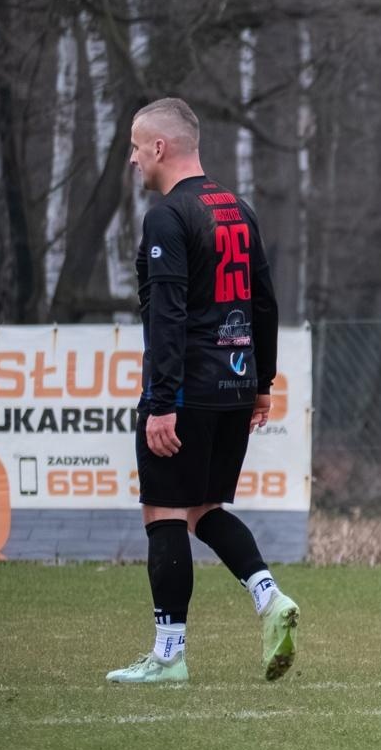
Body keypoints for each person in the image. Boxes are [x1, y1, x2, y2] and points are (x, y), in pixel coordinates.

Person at [107, 97, 298, 684]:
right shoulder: (236, 208)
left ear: (160, 147)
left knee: (164, 513)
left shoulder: (168, 216)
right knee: (203, 510)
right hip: (236, 387)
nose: (135, 159)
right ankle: (269, 596)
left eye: (138, 147)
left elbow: (167, 315)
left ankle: (168, 656)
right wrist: (261, 383)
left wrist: (161, 403)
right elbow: (263, 301)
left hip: (186, 390)